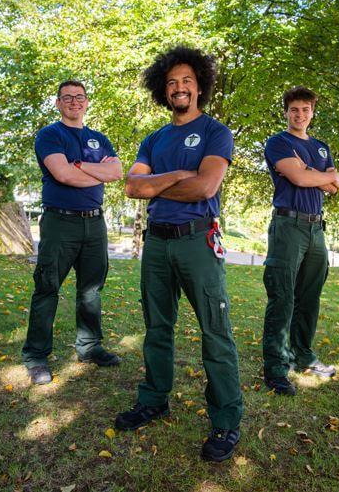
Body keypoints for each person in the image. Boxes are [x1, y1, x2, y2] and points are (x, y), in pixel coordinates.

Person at [114, 46, 243, 462]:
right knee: (157, 326)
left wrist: (157, 183)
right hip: (157, 243)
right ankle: (154, 399)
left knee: (215, 330)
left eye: (187, 80)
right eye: (172, 82)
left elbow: (206, 187)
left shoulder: (215, 132)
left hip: (197, 241)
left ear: (199, 86)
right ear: (162, 90)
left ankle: (226, 421)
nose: (179, 87)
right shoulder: (153, 138)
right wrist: (179, 176)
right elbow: (132, 187)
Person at [22, 80, 123, 385]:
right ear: (58, 103)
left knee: (91, 290)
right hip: (59, 222)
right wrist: (93, 170)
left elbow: (116, 173)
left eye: (79, 97)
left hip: (94, 223)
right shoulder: (50, 134)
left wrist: (78, 165)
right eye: (67, 98)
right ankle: (36, 356)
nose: (74, 102)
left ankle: (89, 347)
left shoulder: (99, 138)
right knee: (47, 287)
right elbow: (62, 174)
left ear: (87, 102)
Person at [262, 86, 339, 396]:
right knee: (282, 296)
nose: (300, 114)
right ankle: (276, 367)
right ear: (286, 112)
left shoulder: (321, 147)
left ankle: (304, 356)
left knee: (309, 298)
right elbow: (299, 179)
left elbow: (336, 187)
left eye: (305, 109)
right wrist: (318, 175)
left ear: (312, 112)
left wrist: (311, 170)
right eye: (294, 109)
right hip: (288, 226)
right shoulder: (278, 142)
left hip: (316, 229)